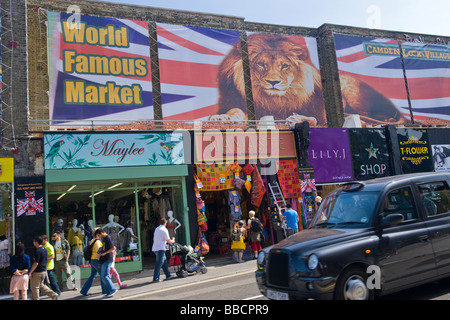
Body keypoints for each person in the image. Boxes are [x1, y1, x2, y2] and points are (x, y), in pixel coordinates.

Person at [29, 236, 58, 300]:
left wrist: (30, 272)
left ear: (36, 242)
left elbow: (36, 263)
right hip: (43, 271)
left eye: (34, 242)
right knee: (41, 286)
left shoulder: (37, 251)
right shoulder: (44, 249)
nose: (33, 243)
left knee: (35, 287)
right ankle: (53, 295)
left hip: (37, 272)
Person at [80, 229, 103, 297]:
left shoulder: (92, 240)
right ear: (97, 234)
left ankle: (84, 290)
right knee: (103, 275)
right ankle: (106, 290)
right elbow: (99, 251)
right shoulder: (97, 242)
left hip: (92, 260)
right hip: (96, 260)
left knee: (92, 276)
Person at [96, 228, 117, 298]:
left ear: (101, 233)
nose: (98, 237)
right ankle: (108, 292)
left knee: (104, 276)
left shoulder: (107, 238)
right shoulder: (104, 239)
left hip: (108, 259)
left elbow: (113, 247)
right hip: (105, 259)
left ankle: (112, 289)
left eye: (99, 235)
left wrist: (105, 253)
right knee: (105, 276)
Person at [152, 218, 175, 282]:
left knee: (164, 262)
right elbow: (168, 240)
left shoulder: (157, 228)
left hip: (155, 248)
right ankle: (156, 278)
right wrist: (173, 241)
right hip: (160, 248)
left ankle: (168, 275)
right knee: (159, 263)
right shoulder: (164, 230)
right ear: (165, 223)